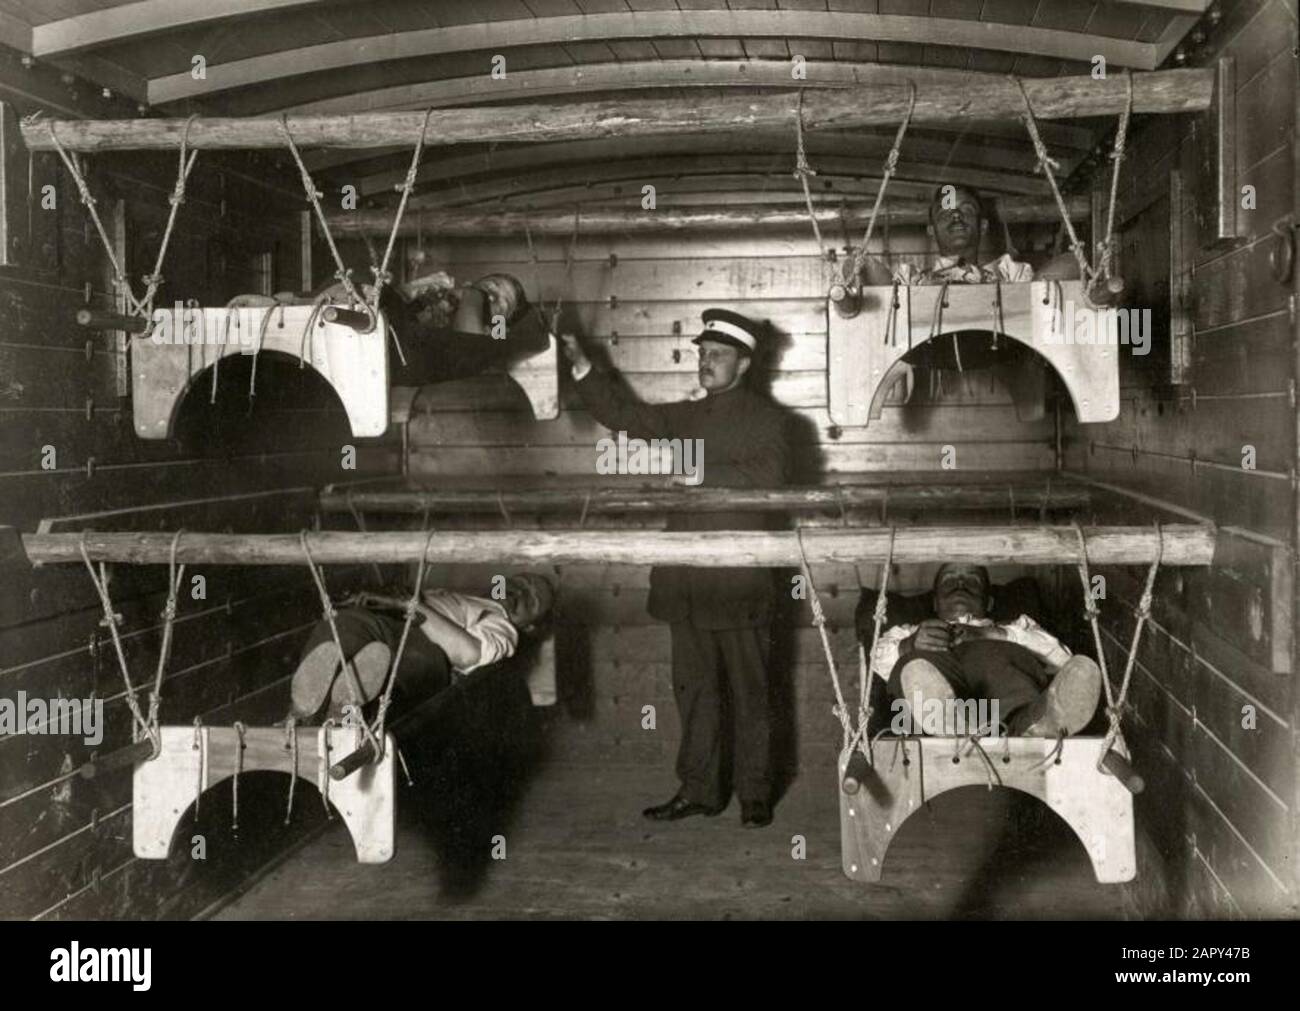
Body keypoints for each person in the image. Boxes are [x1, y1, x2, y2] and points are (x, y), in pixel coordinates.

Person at [558, 310, 790, 828]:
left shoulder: (771, 421)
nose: (706, 362)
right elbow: (626, 418)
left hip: (739, 582)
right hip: (686, 585)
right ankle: (700, 790)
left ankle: (755, 793)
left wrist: (691, 469)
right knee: (695, 690)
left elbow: (767, 477)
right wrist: (581, 367)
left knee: (751, 693)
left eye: (719, 355)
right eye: (703, 353)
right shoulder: (686, 417)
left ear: (746, 363)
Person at [870, 562, 1102, 737]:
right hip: (930, 722)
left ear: (989, 602)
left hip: (1009, 724)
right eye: (949, 581)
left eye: (972, 581)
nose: (960, 585)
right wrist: (910, 645)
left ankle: (1036, 723)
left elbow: (1063, 660)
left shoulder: (1017, 627)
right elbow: (879, 662)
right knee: (917, 666)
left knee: (1008, 661)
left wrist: (990, 634)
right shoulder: (908, 632)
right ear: (935, 602)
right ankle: (950, 719)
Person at [287, 573, 554, 723]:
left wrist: (406, 605)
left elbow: (469, 654)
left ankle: (341, 713)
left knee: (380, 647)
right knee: (343, 626)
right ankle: (304, 711)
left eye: (532, 600)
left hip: (426, 658)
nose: (520, 592)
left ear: (530, 626)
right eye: (520, 581)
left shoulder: (502, 625)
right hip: (388, 630)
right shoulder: (453, 595)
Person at [892, 183, 1035, 286]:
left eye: (966, 210)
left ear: (983, 227)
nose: (956, 216)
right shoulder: (910, 282)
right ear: (932, 231)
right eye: (945, 213)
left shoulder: (1012, 277)